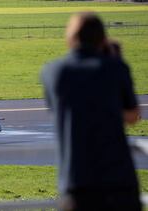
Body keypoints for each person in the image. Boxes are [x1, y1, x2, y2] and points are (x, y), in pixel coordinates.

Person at [41, 12, 142, 211]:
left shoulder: (52, 71)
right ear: (103, 39)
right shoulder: (116, 68)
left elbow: (58, 111)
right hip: (119, 181)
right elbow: (133, 116)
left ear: (70, 38)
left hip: (77, 182)